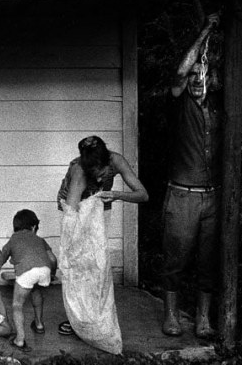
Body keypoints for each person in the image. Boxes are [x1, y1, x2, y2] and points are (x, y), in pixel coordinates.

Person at [160, 12, 223, 338]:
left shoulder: (218, 105)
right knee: (176, 259)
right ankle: (171, 317)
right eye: (194, 74)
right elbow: (180, 71)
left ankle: (203, 320)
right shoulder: (178, 102)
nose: (197, 79)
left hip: (212, 197)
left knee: (209, 263)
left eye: (203, 73)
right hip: (182, 195)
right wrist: (205, 30)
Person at [56, 135, 149, 336]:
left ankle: (95, 314)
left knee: (98, 263)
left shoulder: (116, 160)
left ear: (107, 161)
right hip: (75, 207)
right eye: (94, 174)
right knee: (80, 264)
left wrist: (116, 194)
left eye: (102, 174)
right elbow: (71, 217)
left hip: (100, 205)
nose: (99, 179)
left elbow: (143, 194)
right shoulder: (79, 171)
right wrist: (71, 250)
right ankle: (78, 318)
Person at [0, 209, 56, 352]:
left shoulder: (12, 240)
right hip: (45, 269)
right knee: (36, 291)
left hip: (27, 272)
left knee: (17, 305)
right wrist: (52, 273)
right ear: (33, 227)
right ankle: (39, 324)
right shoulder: (40, 240)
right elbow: (53, 259)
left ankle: (19, 339)